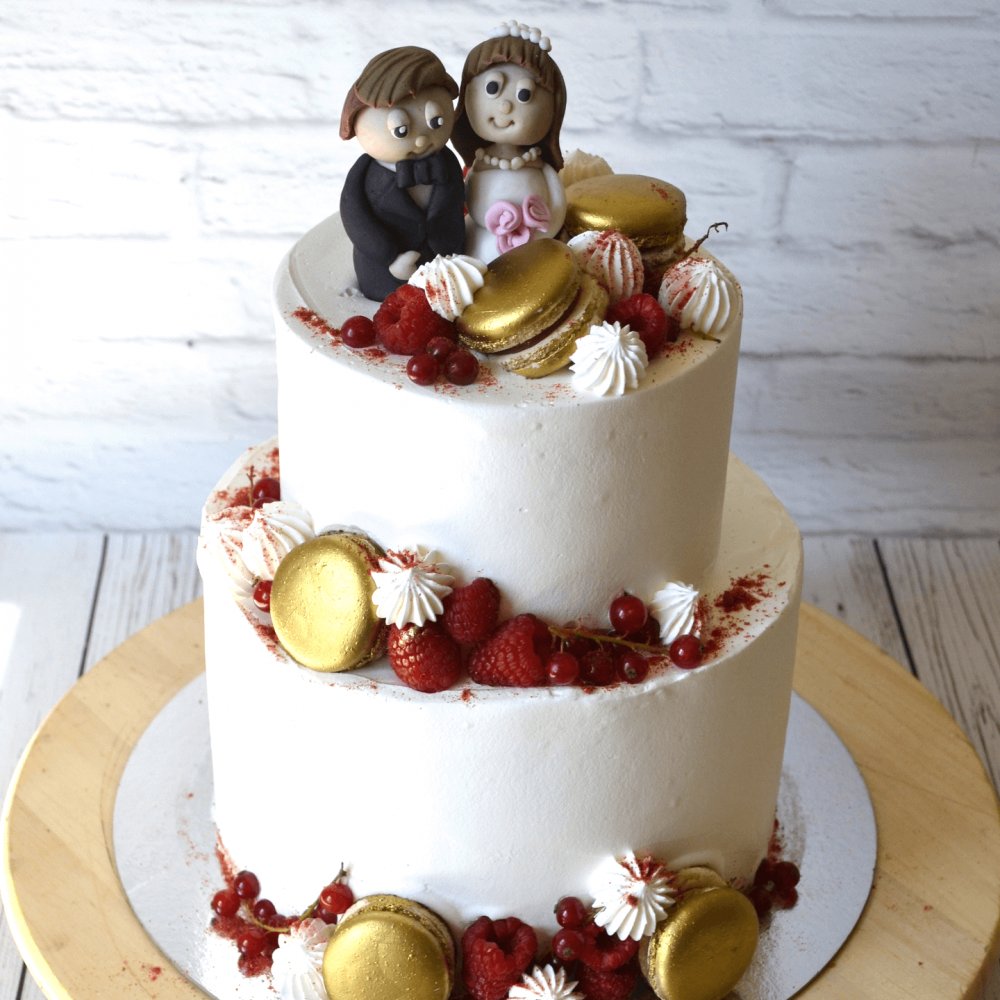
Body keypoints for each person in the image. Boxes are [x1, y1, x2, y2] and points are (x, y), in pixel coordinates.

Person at [340, 47, 466, 300]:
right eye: (401, 130)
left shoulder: (448, 161)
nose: (421, 140)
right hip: (385, 277)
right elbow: (356, 219)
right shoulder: (362, 175)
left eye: (436, 122)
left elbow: (458, 200)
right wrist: (389, 256)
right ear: (354, 122)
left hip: (446, 267)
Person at [451, 22, 568, 263]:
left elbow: (556, 207)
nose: (505, 106)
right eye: (492, 88)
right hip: (479, 250)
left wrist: (541, 233)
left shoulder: (541, 168)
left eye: (524, 94)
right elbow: (466, 206)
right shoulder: (479, 165)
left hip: (534, 253)